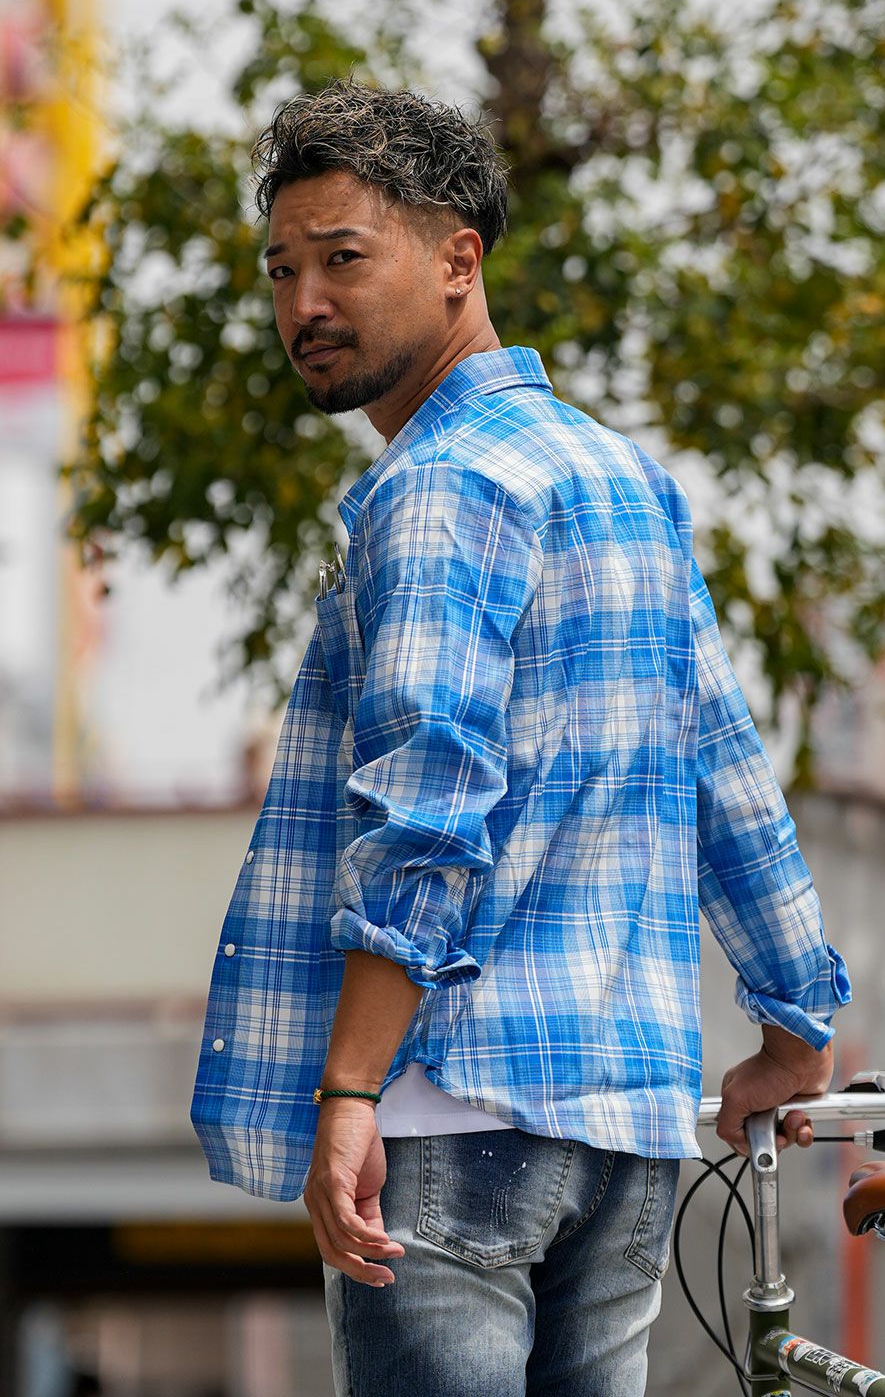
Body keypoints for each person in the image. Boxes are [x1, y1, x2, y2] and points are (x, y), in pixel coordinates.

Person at [191, 75, 851, 1397]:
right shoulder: (623, 477)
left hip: (452, 1112)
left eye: (341, 259)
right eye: (281, 270)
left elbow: (426, 810)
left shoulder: (436, 486)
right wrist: (797, 1025)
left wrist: (350, 1093)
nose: (304, 303)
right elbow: (725, 773)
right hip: (627, 1126)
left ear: (459, 261)